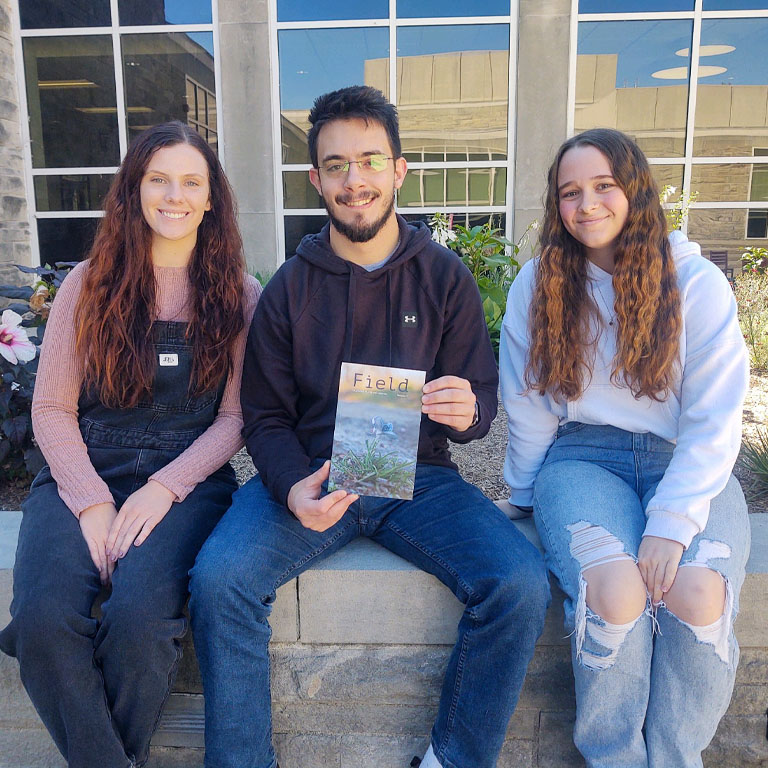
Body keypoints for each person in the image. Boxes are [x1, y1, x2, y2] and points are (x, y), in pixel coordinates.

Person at [189, 85, 550, 768]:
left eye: (369, 161)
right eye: (335, 165)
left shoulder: (444, 277)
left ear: (399, 169)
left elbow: (480, 397)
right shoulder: (288, 288)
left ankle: (452, 758)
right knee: (219, 581)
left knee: (520, 583)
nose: (354, 182)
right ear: (315, 178)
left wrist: (468, 411)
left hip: (420, 479)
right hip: (311, 476)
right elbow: (263, 415)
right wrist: (294, 485)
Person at [0, 121, 261, 768]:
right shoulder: (87, 284)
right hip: (85, 464)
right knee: (42, 621)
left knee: (140, 625)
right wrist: (90, 502)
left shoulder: (239, 294)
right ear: (134, 190)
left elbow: (235, 420)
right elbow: (53, 410)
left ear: (211, 199)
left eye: (191, 182)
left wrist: (163, 489)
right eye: (159, 179)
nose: (174, 195)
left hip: (184, 480)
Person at [499, 128, 750, 768]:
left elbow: (715, 416)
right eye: (570, 192)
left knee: (697, 596)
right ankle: (613, 759)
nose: (587, 204)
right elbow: (527, 401)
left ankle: (673, 757)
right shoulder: (539, 284)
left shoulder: (693, 282)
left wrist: (671, 523)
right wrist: (525, 495)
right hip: (584, 459)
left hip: (681, 460)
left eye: (604, 186)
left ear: (634, 189)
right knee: (615, 595)